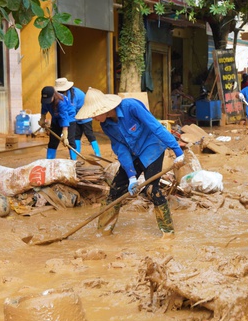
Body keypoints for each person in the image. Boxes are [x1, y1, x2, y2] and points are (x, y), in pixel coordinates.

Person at [75, 88, 185, 237]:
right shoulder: (105, 125)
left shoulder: (131, 107)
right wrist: (131, 176)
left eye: (94, 114)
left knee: (151, 190)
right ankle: (103, 231)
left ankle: (168, 232)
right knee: (115, 189)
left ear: (104, 109)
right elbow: (121, 149)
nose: (93, 118)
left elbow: (155, 126)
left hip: (152, 148)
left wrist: (177, 151)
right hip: (133, 154)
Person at [54, 77, 101, 159]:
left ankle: (98, 153)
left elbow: (71, 111)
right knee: (76, 135)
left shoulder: (74, 95)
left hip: (85, 115)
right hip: (76, 117)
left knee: (89, 134)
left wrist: (64, 131)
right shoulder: (65, 95)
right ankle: (76, 153)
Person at [39, 86, 76, 160]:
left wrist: (65, 136)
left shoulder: (61, 102)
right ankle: (49, 161)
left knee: (70, 141)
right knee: (53, 141)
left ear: (53, 95)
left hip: (69, 118)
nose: (47, 102)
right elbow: (44, 109)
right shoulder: (45, 100)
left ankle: (73, 161)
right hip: (55, 119)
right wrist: (42, 118)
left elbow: (64, 118)